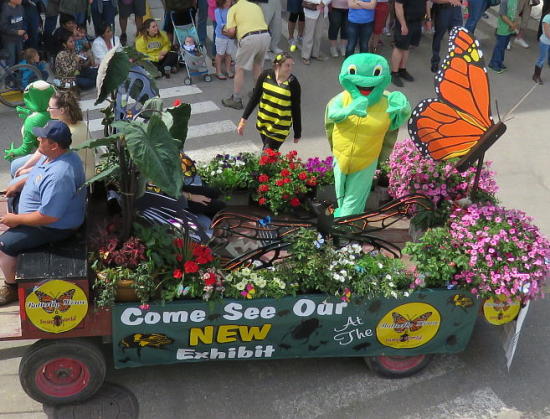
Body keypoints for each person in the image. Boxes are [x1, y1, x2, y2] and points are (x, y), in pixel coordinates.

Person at [0, 120, 86, 305]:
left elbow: (49, 216)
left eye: (42, 138)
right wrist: (19, 184)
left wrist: (17, 219)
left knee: (3, 246)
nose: (38, 139)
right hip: (38, 217)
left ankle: (11, 288)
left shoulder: (60, 175)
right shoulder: (56, 157)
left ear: (54, 145)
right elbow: (39, 173)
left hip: (52, 227)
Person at [11, 91, 95, 182]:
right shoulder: (63, 122)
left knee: (17, 180)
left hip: (75, 175)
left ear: (62, 110)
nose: (47, 109)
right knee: (15, 165)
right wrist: (24, 167)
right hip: (56, 160)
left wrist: (25, 171)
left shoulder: (68, 133)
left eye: (50, 107)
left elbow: (50, 163)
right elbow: (42, 152)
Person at [237, 53, 302, 150]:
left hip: (279, 127)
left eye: (291, 65)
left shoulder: (293, 83)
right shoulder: (265, 76)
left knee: (266, 157)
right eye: (287, 65)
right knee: (270, 156)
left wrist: (297, 132)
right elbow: (255, 98)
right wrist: (243, 120)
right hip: (264, 123)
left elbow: (296, 108)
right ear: (277, 65)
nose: (290, 68)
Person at [221, 0, 271, 110]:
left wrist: (225, 31)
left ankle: (236, 99)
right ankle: (259, 94)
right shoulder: (255, 6)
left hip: (249, 39)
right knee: (257, 67)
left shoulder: (233, 9)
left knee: (239, 69)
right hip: (265, 36)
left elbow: (231, 31)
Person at [390, 0, 429, 86]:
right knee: (400, 46)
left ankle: (402, 70)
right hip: (405, 21)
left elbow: (425, 3)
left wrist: (427, 19)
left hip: (417, 22)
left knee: (407, 47)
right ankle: (394, 73)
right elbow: (398, 6)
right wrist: (403, 24)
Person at [430, 0, 462, 73]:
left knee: (457, 38)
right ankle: (435, 61)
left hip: (456, 9)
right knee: (438, 36)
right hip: (443, 9)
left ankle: (455, 62)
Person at [488, 0, 519, 73]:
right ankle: (494, 63)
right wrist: (512, 24)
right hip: (503, 29)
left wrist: (515, 23)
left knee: (503, 46)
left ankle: (499, 61)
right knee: (500, 47)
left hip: (509, 29)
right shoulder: (505, 1)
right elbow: (503, 16)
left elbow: (515, 13)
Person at [0, 0, 27, 67]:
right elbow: (3, 27)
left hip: (19, 39)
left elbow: (23, 21)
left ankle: (20, 75)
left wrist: (24, 32)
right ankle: (10, 76)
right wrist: (16, 32)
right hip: (9, 40)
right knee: (11, 60)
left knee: (20, 58)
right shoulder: (5, 9)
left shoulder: (21, 8)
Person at [302, 0, 330, 64]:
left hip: (322, 10)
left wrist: (324, 3)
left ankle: (315, 54)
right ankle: (305, 56)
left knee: (318, 35)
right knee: (309, 34)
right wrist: (319, 3)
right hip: (311, 10)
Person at [214, 0, 236, 79]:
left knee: (228, 54)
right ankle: (218, 71)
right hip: (221, 36)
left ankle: (228, 70)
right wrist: (230, 28)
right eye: (226, 2)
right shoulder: (218, 11)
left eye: (229, 2)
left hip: (230, 36)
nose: (228, 3)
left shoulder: (232, 9)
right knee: (220, 54)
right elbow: (220, 23)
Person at [533, 10, 550, 83]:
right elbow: (547, 33)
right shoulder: (547, 17)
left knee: (545, 58)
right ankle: (536, 76)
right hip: (545, 42)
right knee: (542, 59)